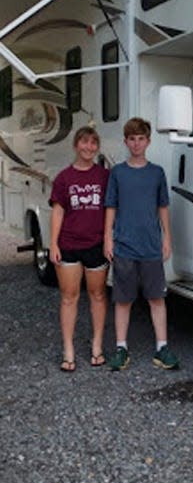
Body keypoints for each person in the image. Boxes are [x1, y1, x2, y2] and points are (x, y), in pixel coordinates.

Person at [103, 117, 178, 371]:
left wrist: (167, 237)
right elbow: (111, 207)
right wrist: (107, 237)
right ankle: (121, 348)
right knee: (123, 300)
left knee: (157, 298)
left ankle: (162, 347)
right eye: (132, 139)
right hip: (124, 245)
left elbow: (163, 207)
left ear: (148, 141)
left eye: (141, 139)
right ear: (126, 142)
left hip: (150, 247)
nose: (136, 144)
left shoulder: (156, 173)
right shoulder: (118, 173)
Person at [49, 126, 110, 372]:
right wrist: (53, 243)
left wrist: (108, 239)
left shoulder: (104, 176)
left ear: (97, 147)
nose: (89, 147)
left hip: (95, 244)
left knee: (97, 295)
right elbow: (58, 211)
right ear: (76, 145)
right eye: (84, 142)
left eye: (94, 143)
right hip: (69, 244)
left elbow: (110, 210)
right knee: (69, 297)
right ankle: (68, 350)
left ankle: (97, 346)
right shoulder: (64, 178)